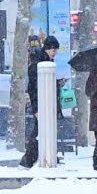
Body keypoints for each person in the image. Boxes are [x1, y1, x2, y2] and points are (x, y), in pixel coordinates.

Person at [20, 35, 61, 169]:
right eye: (53, 49)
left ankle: (36, 157)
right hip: (43, 105)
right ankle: (30, 159)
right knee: (39, 132)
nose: (54, 52)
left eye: (56, 50)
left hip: (46, 105)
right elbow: (34, 89)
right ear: (47, 49)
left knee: (41, 132)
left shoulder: (42, 62)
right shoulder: (39, 65)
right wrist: (36, 108)